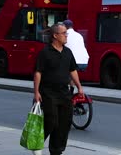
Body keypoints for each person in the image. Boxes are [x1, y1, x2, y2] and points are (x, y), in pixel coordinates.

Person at [33, 22, 84, 155]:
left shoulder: (68, 52)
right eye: (64, 33)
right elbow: (38, 72)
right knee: (51, 120)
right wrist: (36, 92)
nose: (66, 36)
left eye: (66, 33)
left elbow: (72, 70)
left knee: (64, 123)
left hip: (64, 93)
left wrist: (79, 87)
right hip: (48, 92)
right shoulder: (45, 52)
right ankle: (37, 142)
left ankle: (56, 151)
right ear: (55, 35)